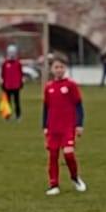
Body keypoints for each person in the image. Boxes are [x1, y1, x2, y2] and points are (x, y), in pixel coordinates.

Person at [42, 54, 86, 195]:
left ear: (65, 68)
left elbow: (78, 105)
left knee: (68, 154)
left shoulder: (71, 85)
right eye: (56, 67)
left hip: (67, 126)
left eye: (61, 67)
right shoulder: (49, 87)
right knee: (53, 156)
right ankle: (54, 185)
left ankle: (75, 178)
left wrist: (79, 124)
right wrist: (45, 126)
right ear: (51, 69)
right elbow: (46, 108)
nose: (59, 70)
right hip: (53, 128)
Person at [0, 46, 26, 121]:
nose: (12, 54)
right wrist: (2, 83)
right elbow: (2, 75)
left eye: (13, 52)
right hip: (7, 86)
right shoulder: (5, 63)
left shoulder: (18, 63)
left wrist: (21, 83)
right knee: (7, 102)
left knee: (17, 102)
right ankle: (7, 116)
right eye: (10, 52)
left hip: (16, 86)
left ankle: (18, 116)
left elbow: (21, 74)